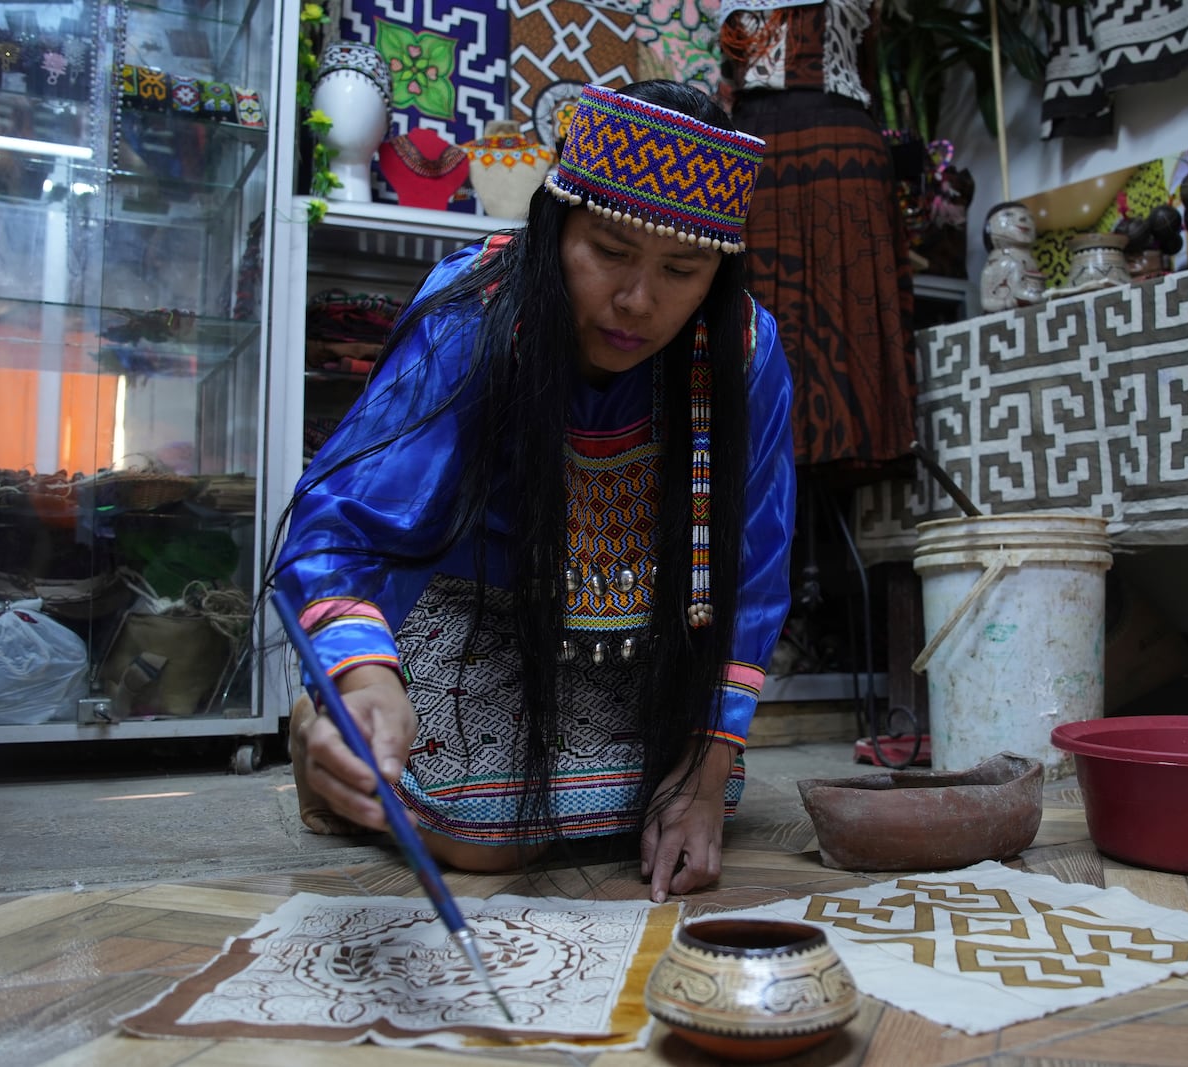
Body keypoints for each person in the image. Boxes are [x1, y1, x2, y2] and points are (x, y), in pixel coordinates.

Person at [273, 81, 796, 904]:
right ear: (557, 225)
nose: (637, 301)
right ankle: (316, 727)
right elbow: (343, 523)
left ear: (716, 273)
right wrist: (362, 682)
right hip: (477, 611)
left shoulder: (744, 352)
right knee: (480, 840)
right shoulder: (474, 311)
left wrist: (706, 760)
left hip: (636, 637)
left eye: (681, 270)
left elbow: (753, 568)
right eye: (611, 251)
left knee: (697, 801)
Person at [718, 0, 916, 483]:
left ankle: (834, 458)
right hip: (777, 146)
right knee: (754, 311)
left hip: (818, 146)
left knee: (830, 307)